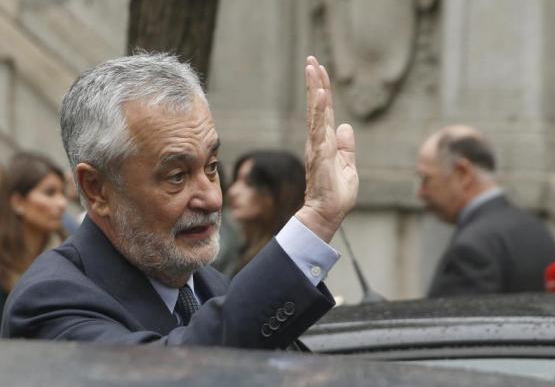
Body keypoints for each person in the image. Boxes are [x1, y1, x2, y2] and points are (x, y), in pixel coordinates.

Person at [1, 53, 358, 349]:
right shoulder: (48, 302)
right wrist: (315, 222)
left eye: (211, 167)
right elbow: (175, 371)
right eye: (177, 176)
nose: (211, 198)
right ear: (97, 189)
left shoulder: (211, 286)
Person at [417, 125, 555, 297]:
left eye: (426, 179)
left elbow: (453, 315)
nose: (421, 193)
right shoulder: (537, 229)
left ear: (463, 174)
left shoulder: (471, 248)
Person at [0, 152, 68, 315]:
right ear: (18, 202)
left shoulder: (69, 253)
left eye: (63, 193)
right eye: (50, 193)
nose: (62, 203)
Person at [224, 150, 306, 275]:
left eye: (249, 183)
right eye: (236, 180)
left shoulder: (286, 261)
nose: (233, 191)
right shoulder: (238, 249)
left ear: (281, 192)